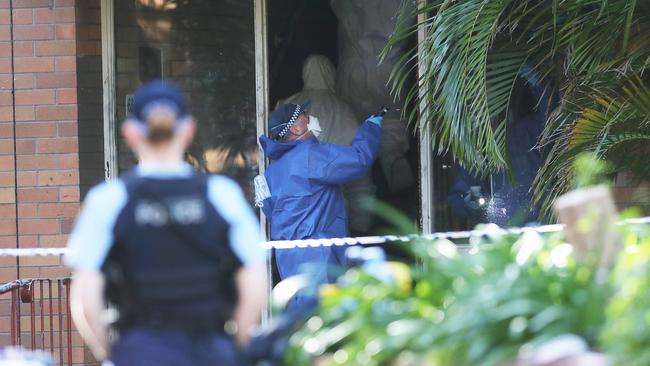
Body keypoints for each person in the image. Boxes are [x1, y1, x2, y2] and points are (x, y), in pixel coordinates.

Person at [65, 81, 267, 365]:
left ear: (130, 134)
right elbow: (255, 281)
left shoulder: (108, 200)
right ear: (188, 131)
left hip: (140, 350)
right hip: (209, 350)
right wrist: (234, 348)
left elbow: (86, 297)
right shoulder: (222, 195)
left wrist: (115, 354)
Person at [257, 103, 382, 309]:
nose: (311, 116)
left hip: (287, 257)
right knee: (325, 319)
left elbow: (269, 210)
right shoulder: (310, 155)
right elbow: (358, 160)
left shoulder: (271, 172)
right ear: (296, 129)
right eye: (305, 115)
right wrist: (371, 127)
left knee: (301, 318)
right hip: (319, 255)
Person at [278, 54, 376, 234]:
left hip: (294, 204)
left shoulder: (288, 105)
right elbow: (359, 167)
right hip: (333, 206)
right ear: (332, 74)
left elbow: (274, 151)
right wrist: (362, 222)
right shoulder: (344, 109)